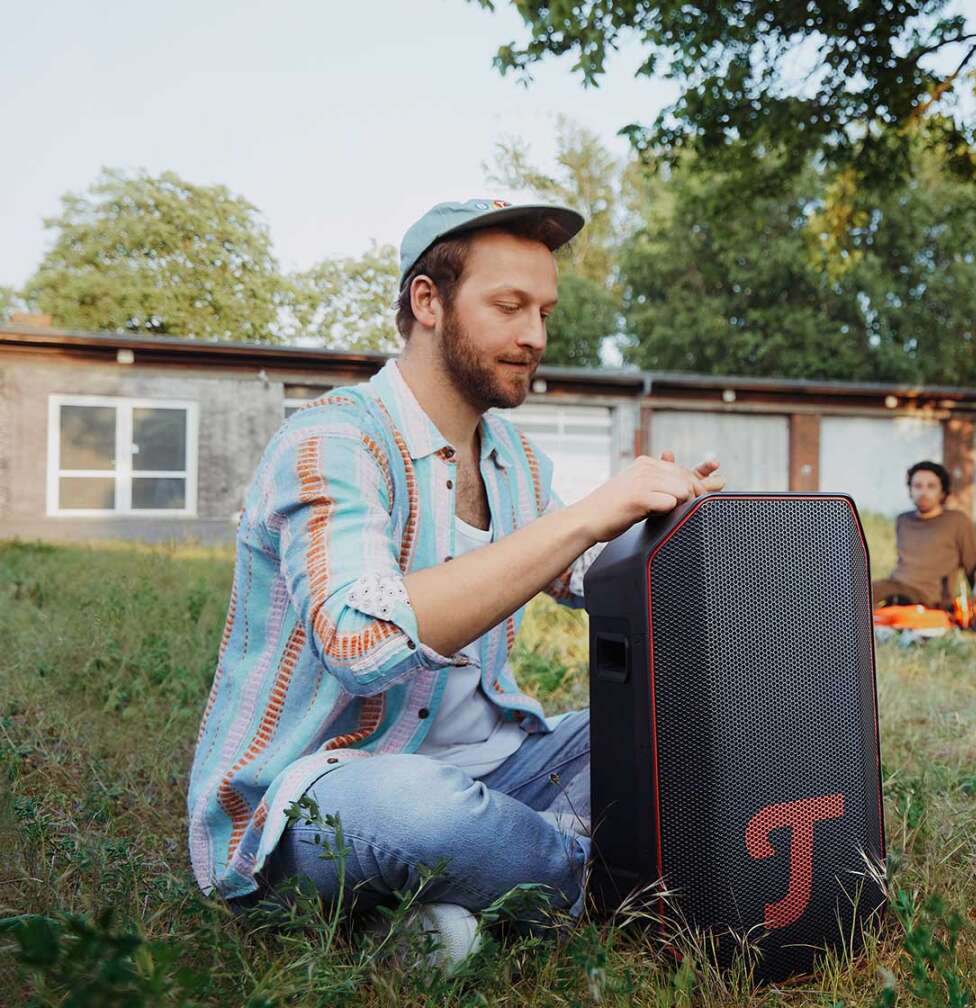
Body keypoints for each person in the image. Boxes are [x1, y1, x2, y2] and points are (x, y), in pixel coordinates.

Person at [185, 198, 725, 969]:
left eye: (544, 311)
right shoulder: (331, 440)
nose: (534, 336)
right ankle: (630, 888)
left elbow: (585, 575)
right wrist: (587, 515)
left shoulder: (511, 456)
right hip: (322, 792)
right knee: (423, 811)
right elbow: (362, 641)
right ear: (427, 303)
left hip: (502, 770)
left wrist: (675, 528)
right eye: (508, 306)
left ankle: (466, 898)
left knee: (675, 726)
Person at [870, 461, 976, 608]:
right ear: (910, 490)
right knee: (857, 590)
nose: (923, 492)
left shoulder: (957, 521)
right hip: (895, 586)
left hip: (930, 597)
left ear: (943, 492)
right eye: (917, 486)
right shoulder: (902, 520)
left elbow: (972, 565)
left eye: (931, 486)